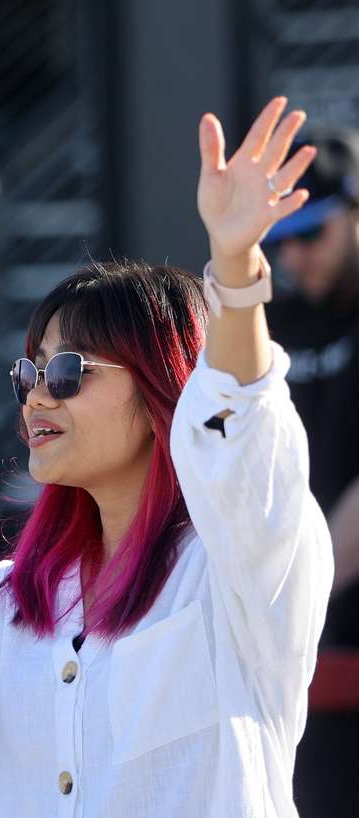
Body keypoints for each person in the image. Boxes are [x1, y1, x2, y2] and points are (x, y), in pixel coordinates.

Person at [0, 98, 333, 816]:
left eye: (67, 374)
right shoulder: (15, 602)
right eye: (29, 374)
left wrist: (236, 267)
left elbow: (243, 432)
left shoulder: (236, 566)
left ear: (159, 389)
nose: (36, 400)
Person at [261, 125, 359, 816]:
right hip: (297, 638)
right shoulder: (276, 321)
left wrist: (292, 596)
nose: (292, 255)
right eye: (280, 239)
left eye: (311, 234)